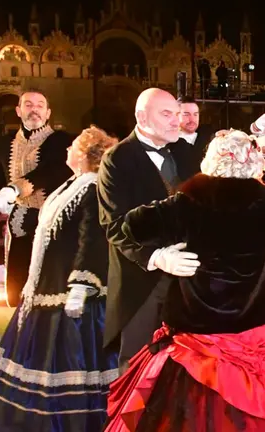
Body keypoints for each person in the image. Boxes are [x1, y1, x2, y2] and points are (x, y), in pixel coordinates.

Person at [105, 127, 265, 431]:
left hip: (195, 336)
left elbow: (127, 227)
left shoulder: (184, 203)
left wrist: (159, 255)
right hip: (257, 332)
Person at [0, 126, 120, 431]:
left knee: (73, 353)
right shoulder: (71, 184)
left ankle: (75, 413)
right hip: (46, 281)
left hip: (69, 287)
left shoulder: (93, 188)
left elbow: (91, 236)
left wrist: (82, 282)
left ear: (82, 155)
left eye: (71, 147)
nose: (66, 150)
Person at [98, 88, 200, 372]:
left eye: (178, 114)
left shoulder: (185, 152)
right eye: (167, 114)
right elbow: (114, 226)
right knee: (137, 366)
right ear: (141, 117)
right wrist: (157, 256)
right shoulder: (116, 160)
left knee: (187, 367)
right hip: (140, 284)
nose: (175, 121)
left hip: (190, 281)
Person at [0, 89, 73, 306]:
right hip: (19, 226)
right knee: (18, 291)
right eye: (28, 104)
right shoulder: (3, 144)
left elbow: (50, 170)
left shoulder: (62, 141)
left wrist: (14, 190)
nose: (34, 109)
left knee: (54, 291)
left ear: (47, 113)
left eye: (39, 105)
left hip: (56, 225)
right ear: (18, 111)